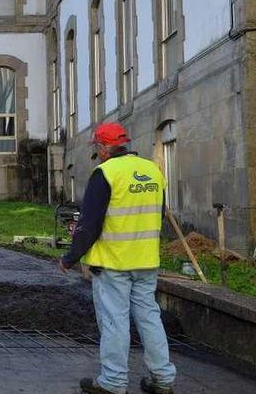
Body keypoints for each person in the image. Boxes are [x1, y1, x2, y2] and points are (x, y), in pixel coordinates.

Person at [58, 122, 177, 394]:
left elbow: (89, 224)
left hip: (113, 264)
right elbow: (158, 214)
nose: (97, 153)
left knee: (114, 322)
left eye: (97, 148)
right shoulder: (152, 170)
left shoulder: (106, 173)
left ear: (103, 147)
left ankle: (112, 382)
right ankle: (163, 380)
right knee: (150, 318)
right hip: (146, 261)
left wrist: (70, 257)